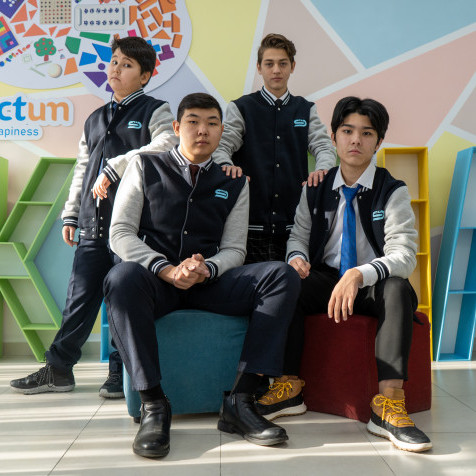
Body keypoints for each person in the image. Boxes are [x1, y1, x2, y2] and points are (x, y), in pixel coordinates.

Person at [103, 92, 301, 458]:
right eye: (193, 122)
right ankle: (154, 405)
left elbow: (235, 250)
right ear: (177, 127)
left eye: (212, 123)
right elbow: (120, 233)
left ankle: (241, 401)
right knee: (120, 278)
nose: (202, 131)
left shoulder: (235, 182)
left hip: (209, 283)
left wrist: (207, 269)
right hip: (157, 283)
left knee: (281, 275)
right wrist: (165, 269)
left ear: (222, 131)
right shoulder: (145, 166)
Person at [256, 96, 432, 452]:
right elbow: (298, 237)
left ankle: (388, 406)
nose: (356, 140)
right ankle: (289, 387)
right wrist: (296, 258)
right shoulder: (315, 187)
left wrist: (359, 275)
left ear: (378, 141)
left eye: (366, 133)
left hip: (371, 284)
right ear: (334, 136)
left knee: (398, 288)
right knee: (284, 279)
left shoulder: (392, 189)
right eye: (348, 131)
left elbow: (403, 254)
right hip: (326, 280)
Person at [10, 36, 178, 398]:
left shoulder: (155, 110)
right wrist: (71, 214)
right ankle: (59, 370)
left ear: (145, 76)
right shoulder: (95, 118)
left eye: (127, 65)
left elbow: (166, 145)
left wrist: (118, 165)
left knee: (123, 300)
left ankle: (119, 372)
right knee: (79, 300)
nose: (116, 69)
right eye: (114, 61)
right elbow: (83, 169)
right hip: (92, 225)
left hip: (133, 228)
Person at [213, 33, 336, 265]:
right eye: (269, 64)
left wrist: (323, 171)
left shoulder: (305, 109)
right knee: (249, 285)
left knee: (293, 284)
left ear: (292, 67)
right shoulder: (242, 107)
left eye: (283, 63)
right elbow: (221, 147)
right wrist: (228, 167)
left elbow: (324, 147)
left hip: (294, 228)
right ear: (259, 68)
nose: (276, 70)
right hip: (248, 227)